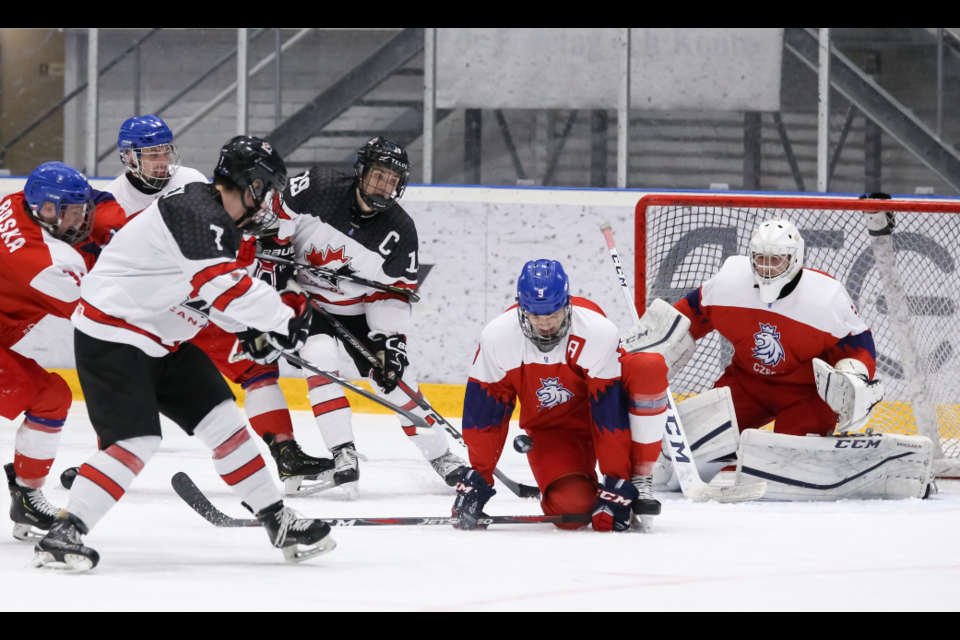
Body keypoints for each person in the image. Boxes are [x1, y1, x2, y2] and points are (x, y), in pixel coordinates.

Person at [31, 137, 335, 572]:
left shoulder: (216, 224)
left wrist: (253, 330)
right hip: (113, 335)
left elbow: (211, 298)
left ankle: (277, 519)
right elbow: (222, 286)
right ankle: (64, 532)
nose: (267, 202)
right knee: (138, 440)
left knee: (224, 419)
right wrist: (283, 318)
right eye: (265, 190)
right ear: (250, 186)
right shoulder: (195, 211)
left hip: (158, 338)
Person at [96, 114, 330, 493]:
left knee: (257, 366)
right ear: (128, 158)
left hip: (205, 300)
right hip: (151, 310)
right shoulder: (112, 203)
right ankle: (105, 458)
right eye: (149, 154)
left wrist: (255, 255)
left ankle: (287, 454)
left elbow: (221, 234)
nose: (160, 161)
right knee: (121, 380)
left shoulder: (189, 179)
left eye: (163, 152)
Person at [620, 218, 883, 487]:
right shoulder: (729, 283)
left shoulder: (825, 298)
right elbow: (689, 317)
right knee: (682, 457)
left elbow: (858, 345)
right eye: (760, 259)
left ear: (795, 258)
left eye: (776, 259)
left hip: (807, 396)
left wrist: (853, 375)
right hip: (746, 386)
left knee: (789, 470)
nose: (767, 267)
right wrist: (648, 352)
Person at [274, 138, 466, 498]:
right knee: (319, 359)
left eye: (393, 180)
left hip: (357, 309)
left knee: (395, 378)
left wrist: (388, 341)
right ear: (361, 171)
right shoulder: (318, 187)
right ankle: (343, 452)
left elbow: (391, 293)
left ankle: (441, 455)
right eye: (379, 175)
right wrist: (276, 264)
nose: (384, 185)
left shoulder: (400, 231)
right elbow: (275, 221)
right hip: (302, 299)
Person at [454, 260, 667, 533]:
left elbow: (609, 415)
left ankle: (640, 477)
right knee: (573, 511)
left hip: (606, 421)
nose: (545, 324)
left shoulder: (597, 331)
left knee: (647, 367)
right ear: (521, 308)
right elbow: (485, 413)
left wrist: (617, 483)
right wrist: (478, 477)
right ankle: (585, 483)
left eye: (553, 314)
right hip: (555, 430)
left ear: (567, 305)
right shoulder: (498, 337)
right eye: (535, 315)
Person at [1, 162, 126, 541]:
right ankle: (27, 496)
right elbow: (99, 315)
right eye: (73, 211)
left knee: (51, 396)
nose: (81, 219)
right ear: (49, 210)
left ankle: (26, 498)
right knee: (50, 396)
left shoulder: (14, 202)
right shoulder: (46, 263)